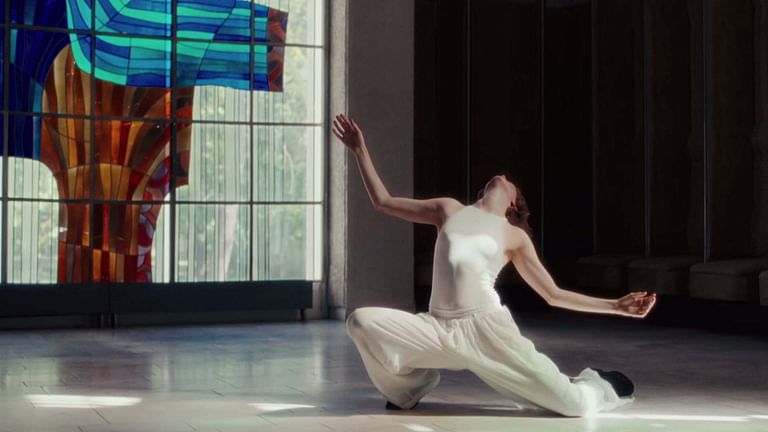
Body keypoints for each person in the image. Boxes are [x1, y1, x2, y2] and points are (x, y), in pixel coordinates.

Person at [332, 113, 657, 417]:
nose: (502, 175)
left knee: (574, 406)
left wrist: (616, 306)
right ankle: (409, 389)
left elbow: (553, 294)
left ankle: (599, 384)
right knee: (360, 322)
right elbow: (384, 202)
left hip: (488, 332)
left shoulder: (513, 235)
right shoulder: (449, 210)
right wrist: (360, 150)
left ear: (514, 202)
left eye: (509, 180)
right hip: (438, 327)